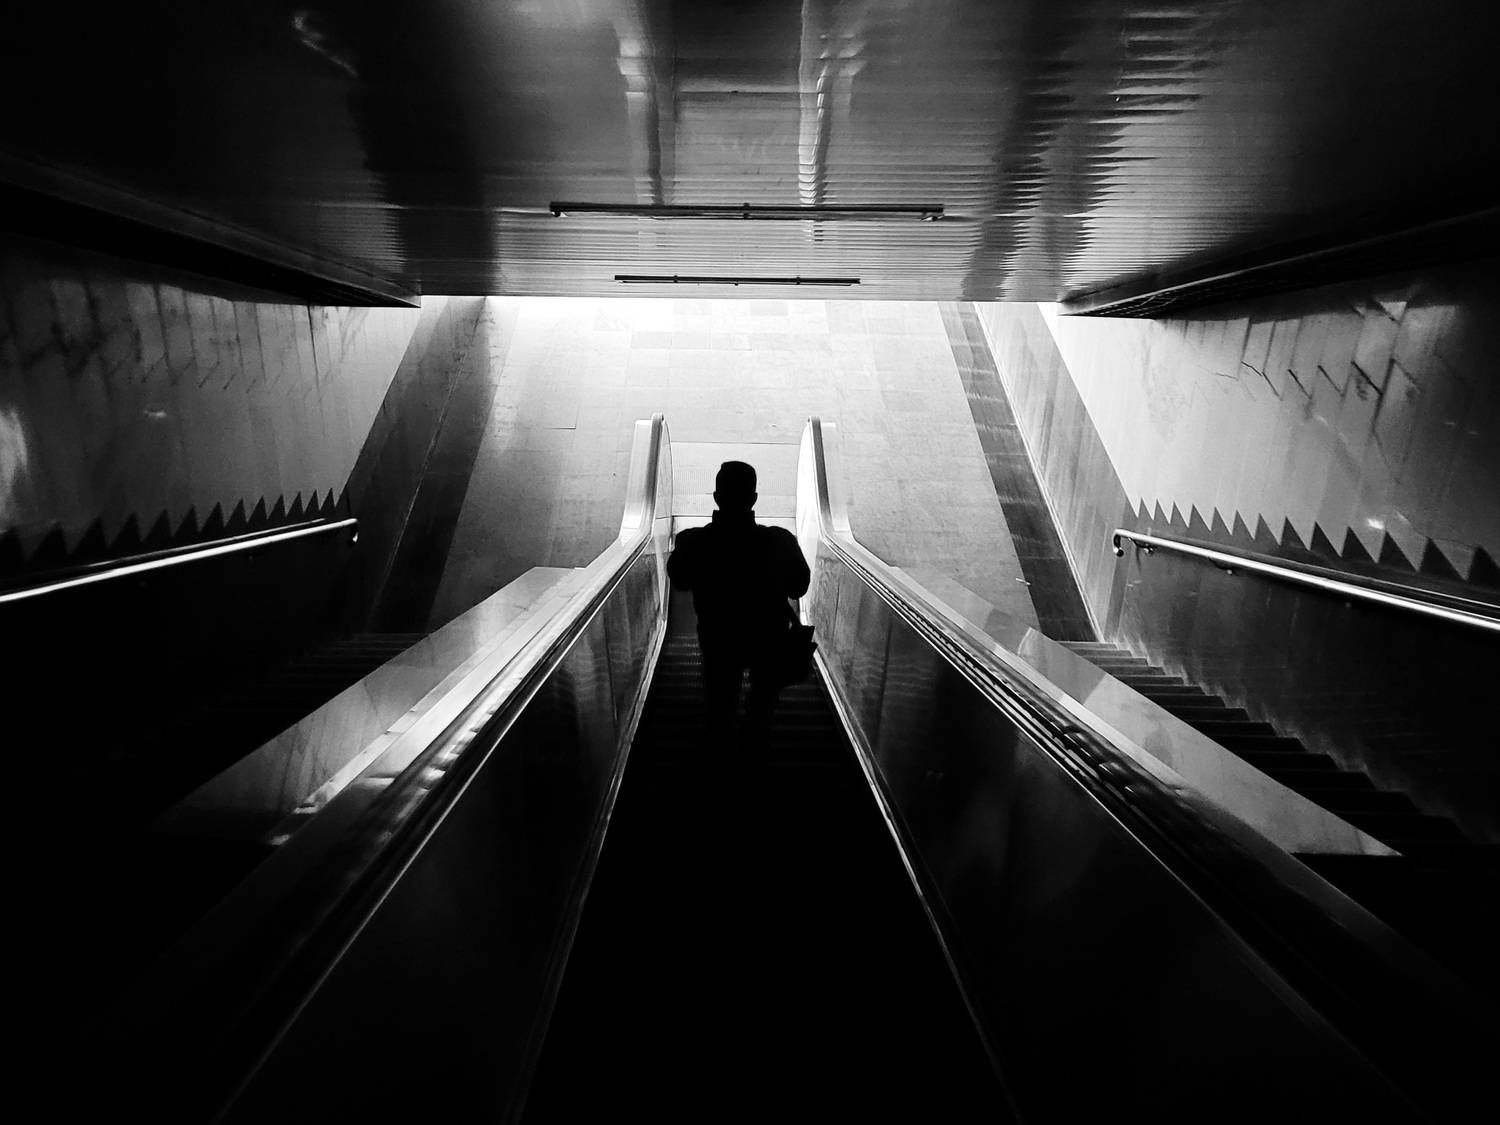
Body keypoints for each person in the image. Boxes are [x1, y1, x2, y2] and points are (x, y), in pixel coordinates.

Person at [667, 460, 811, 740]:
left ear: (717, 496)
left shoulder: (693, 541)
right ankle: (753, 753)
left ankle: (721, 755)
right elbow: (799, 587)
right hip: (768, 640)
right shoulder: (779, 540)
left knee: (720, 707)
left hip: (718, 639)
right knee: (762, 710)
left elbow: (680, 580)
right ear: (753, 498)